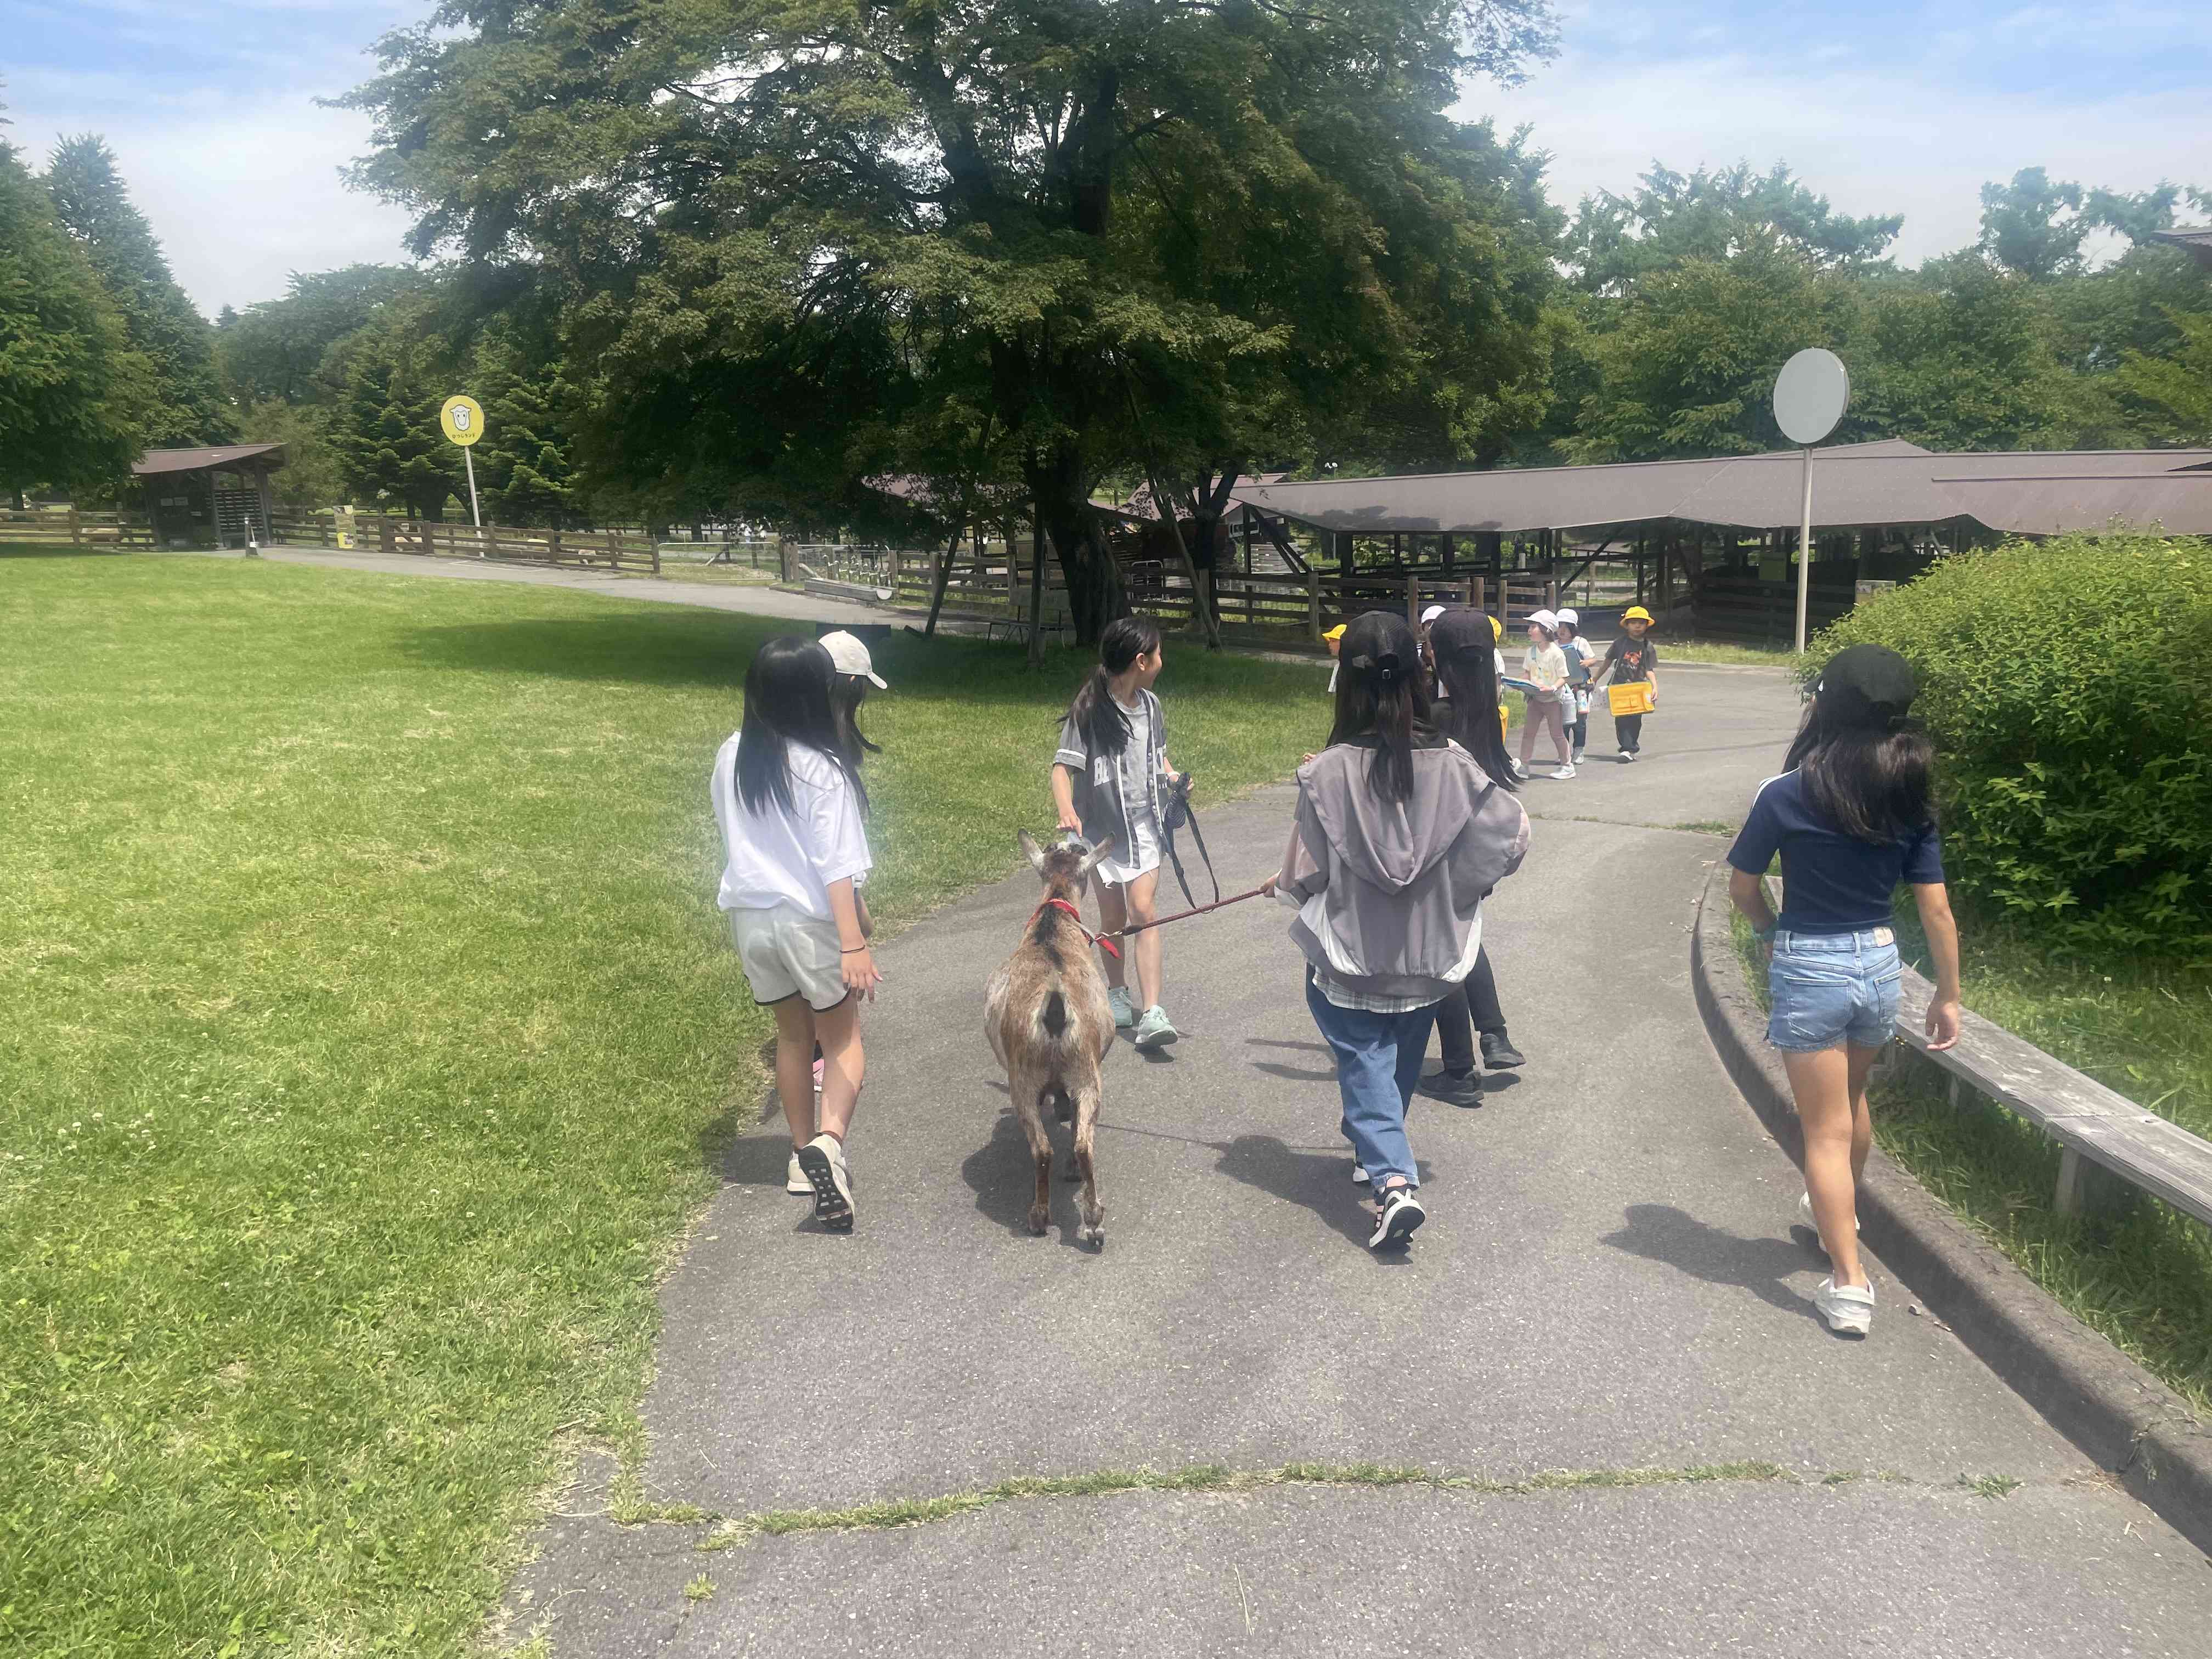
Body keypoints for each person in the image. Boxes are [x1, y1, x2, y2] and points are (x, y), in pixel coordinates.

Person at [1266, 612, 1530, 1250]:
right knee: (1396, 1065)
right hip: (1432, 953)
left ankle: (1392, 1183)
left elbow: (1305, 875)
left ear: (1346, 682)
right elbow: (1511, 835)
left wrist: (1290, 887)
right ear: (1417, 674)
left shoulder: (1326, 772)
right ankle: (1375, 1147)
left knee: (1364, 1060)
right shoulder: (1455, 763)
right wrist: (1461, 889)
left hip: (1351, 952)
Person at [1726, 644, 1962, 1336]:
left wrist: (1768, 932)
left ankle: (1851, 1284)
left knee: (1823, 1132)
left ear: (1824, 708)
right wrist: (1948, 996)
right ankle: (1840, 1215)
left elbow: (1743, 888)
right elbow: (1936, 910)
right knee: (1852, 1102)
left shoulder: (1786, 791)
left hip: (1812, 965)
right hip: (1881, 963)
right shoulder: (1909, 793)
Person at [713, 636, 882, 1231]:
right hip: (809, 923)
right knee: (842, 1041)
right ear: (816, 693)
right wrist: (855, 943)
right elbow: (837, 865)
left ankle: (799, 1155)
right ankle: (829, 1147)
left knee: (792, 1038)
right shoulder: (822, 768)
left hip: (750, 920)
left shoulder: (731, 755)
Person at [1052, 617, 1187, 1049]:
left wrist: (1174, 778)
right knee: (1112, 920)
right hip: (1102, 835)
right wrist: (1067, 809)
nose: (1163, 661)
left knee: (1143, 910)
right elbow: (1062, 769)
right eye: (1159, 654)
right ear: (1141, 661)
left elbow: (1159, 759)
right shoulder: (1090, 707)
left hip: (1146, 828)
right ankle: (1117, 993)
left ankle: (1153, 1012)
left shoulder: (1152, 706)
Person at [1421, 608, 1531, 1105]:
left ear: (1439, 657)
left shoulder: (1436, 718)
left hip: (1439, 846)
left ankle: (1459, 1071)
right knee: (1465, 937)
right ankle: (1494, 1034)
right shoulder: (1487, 712)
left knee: (1442, 955)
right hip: (1480, 848)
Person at [1589, 606, 1660, 763]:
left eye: (1641, 623)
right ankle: (1626, 748)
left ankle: (1631, 748)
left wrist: (1655, 687)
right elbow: (1607, 662)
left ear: (1646, 625)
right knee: (1621, 719)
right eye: (1633, 623)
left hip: (1638, 688)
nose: (1637, 626)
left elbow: (1649, 669)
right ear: (1627, 625)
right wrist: (1595, 679)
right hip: (1619, 687)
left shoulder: (1647, 646)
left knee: (1635, 720)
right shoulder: (1619, 643)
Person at [1516, 609, 1576, 780]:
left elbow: (1564, 677)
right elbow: (1527, 674)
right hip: (1535, 699)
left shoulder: (1556, 653)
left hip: (1553, 700)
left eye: (1533, 627)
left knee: (1557, 734)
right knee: (1528, 733)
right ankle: (1524, 766)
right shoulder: (1530, 652)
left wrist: (1553, 688)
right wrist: (1518, 683)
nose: (1529, 631)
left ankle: (1567, 766)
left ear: (1546, 630)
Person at [1554, 608, 1597, 766]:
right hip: (1562, 688)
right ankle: (1564, 752)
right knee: (1563, 722)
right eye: (1560, 626)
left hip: (1581, 688)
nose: (1563, 631)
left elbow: (1593, 659)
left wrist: (1586, 663)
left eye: (1567, 627)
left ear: (1574, 628)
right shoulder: (1554, 645)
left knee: (1580, 721)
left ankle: (1579, 750)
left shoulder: (1581, 642)